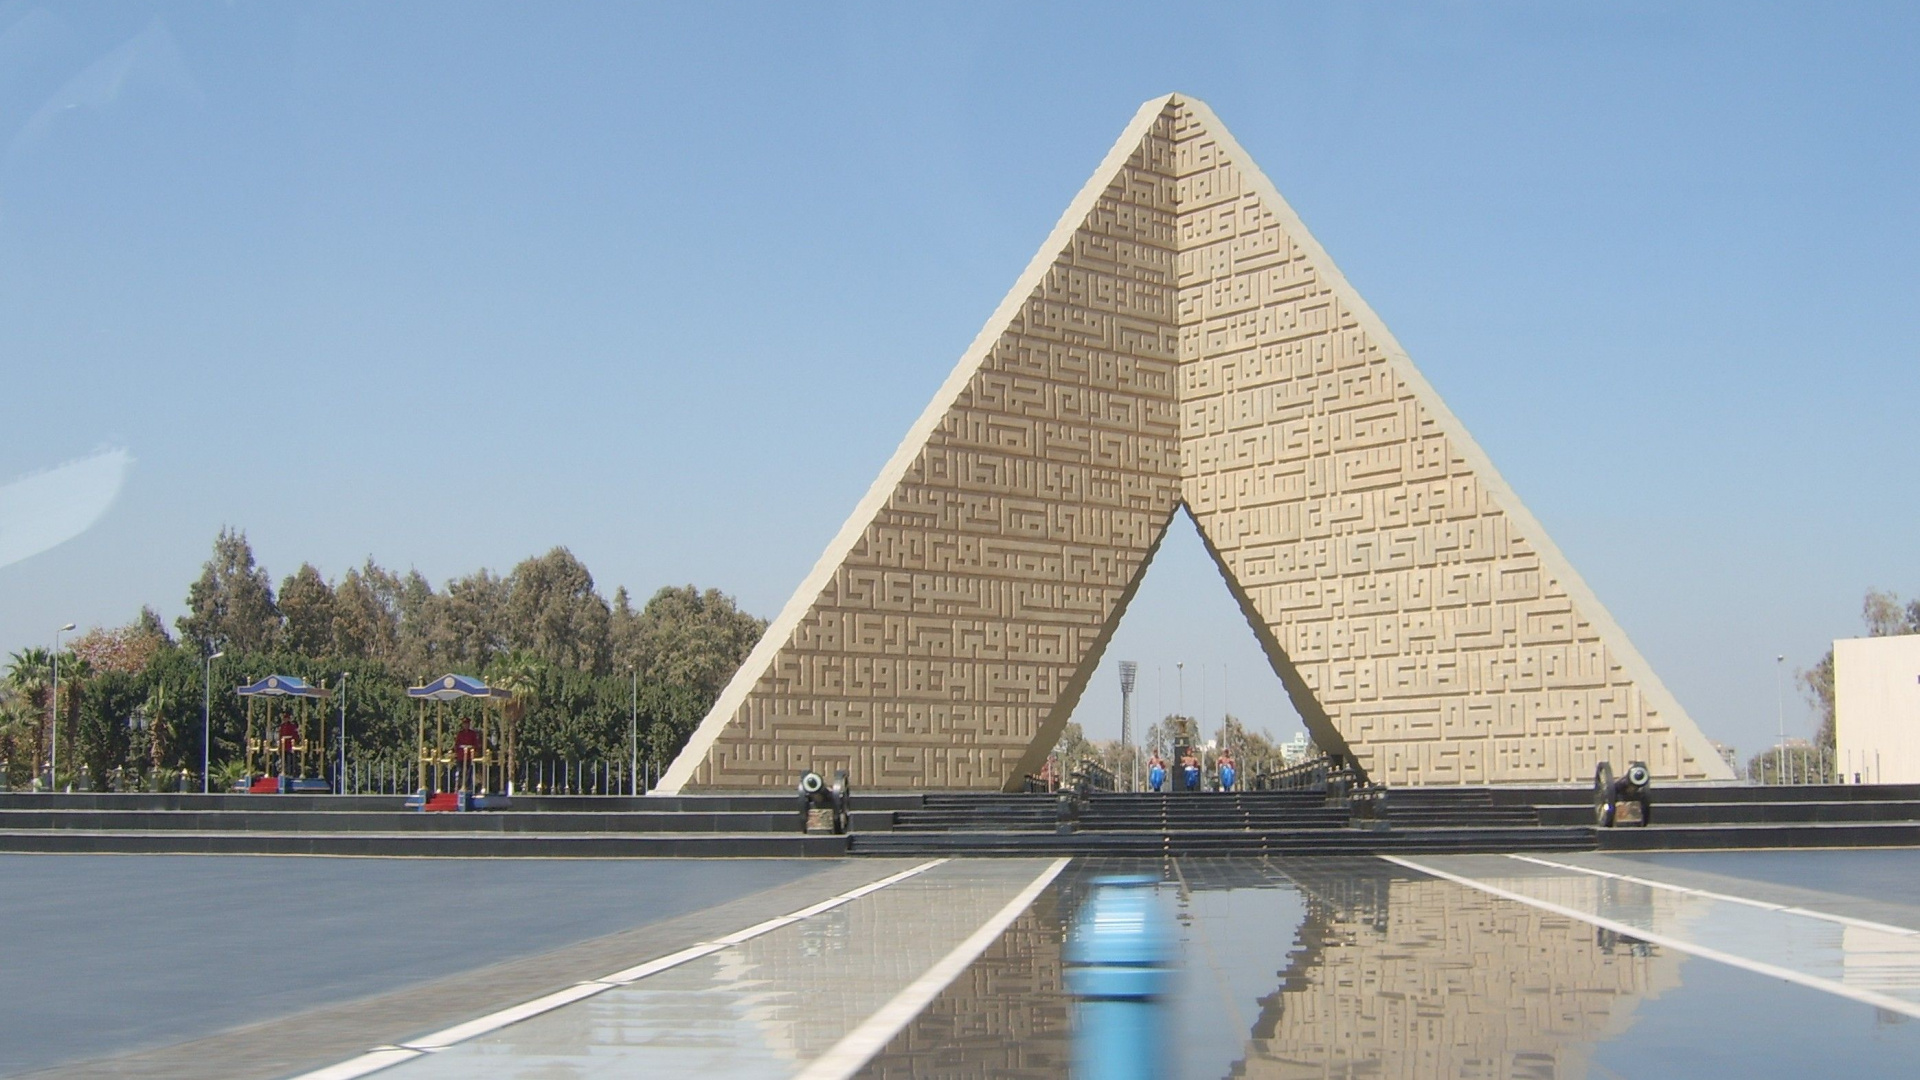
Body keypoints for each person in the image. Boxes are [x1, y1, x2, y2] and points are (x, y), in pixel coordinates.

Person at [453, 719, 482, 792]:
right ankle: (459, 786)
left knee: (469, 772)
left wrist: (474, 750)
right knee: (460, 771)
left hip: (469, 756)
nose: (466, 725)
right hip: (461, 756)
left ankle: (468, 786)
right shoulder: (460, 733)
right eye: (464, 724)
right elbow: (457, 744)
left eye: (467, 724)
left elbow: (475, 743)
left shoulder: (472, 734)